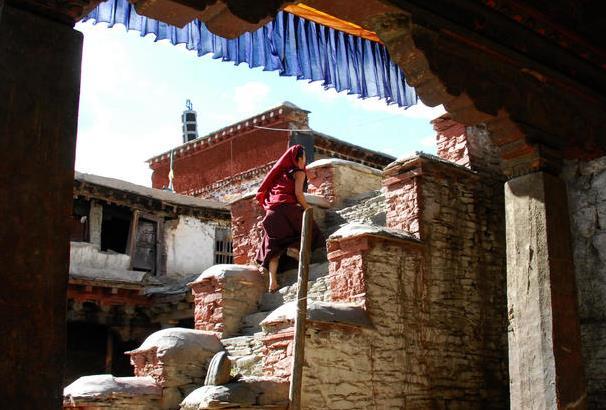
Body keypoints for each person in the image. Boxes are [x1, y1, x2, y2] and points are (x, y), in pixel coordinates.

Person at [255, 144, 323, 292]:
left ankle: (272, 281)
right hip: (286, 210)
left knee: (274, 247)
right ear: (298, 158)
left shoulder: (281, 175)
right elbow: (299, 194)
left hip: (270, 214)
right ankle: (296, 251)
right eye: (304, 157)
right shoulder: (298, 172)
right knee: (310, 229)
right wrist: (307, 208)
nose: (305, 160)